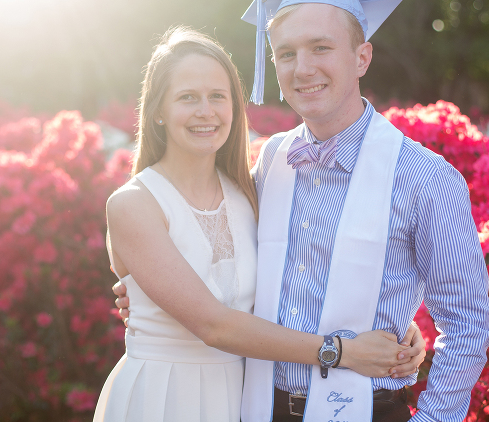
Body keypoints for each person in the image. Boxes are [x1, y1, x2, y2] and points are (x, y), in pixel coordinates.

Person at [117, 0, 489, 422]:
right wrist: (150, 294)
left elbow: (467, 326)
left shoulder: (425, 178)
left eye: (321, 48)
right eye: (286, 53)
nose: (303, 69)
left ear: (362, 57)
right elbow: (223, 267)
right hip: (257, 407)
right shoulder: (272, 160)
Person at [95, 26, 426, 422]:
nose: (206, 111)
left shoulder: (250, 193)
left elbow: (303, 274)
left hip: (243, 397)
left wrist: (395, 323)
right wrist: (343, 351)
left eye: (218, 96)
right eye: (187, 98)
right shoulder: (134, 203)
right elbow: (213, 325)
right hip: (165, 396)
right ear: (158, 112)